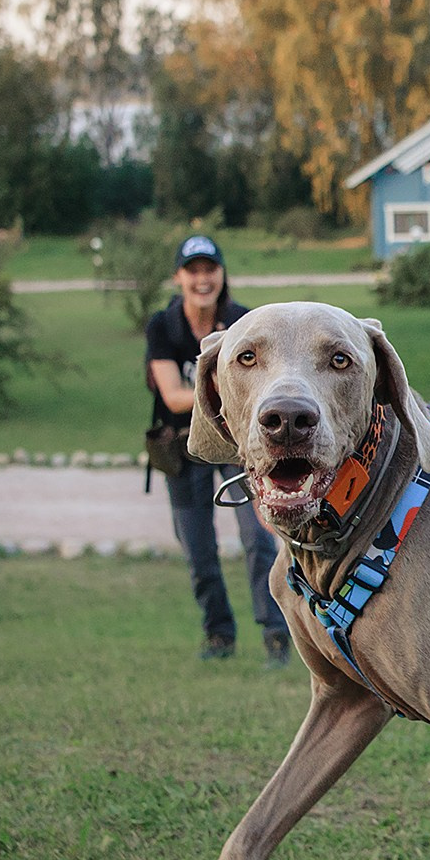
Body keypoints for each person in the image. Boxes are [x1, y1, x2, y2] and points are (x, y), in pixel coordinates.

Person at [145, 234, 289, 666]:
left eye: (210, 269)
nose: (202, 279)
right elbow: (172, 397)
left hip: (235, 445)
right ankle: (218, 635)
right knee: (198, 550)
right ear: (179, 277)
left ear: (222, 274)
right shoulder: (162, 326)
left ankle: (276, 637)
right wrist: (226, 383)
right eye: (193, 270)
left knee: (258, 541)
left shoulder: (244, 322)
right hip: (179, 447)